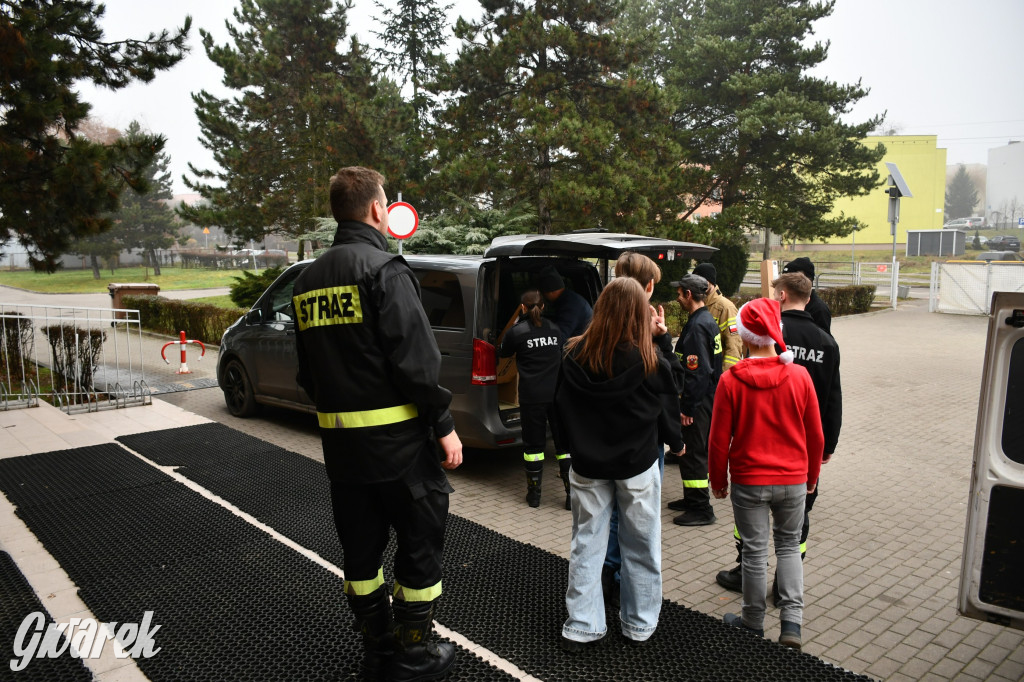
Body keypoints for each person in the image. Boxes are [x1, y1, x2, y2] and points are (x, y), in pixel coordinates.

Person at [292, 166, 463, 681]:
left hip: (344, 457)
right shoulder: (385, 270)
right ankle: (413, 657)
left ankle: (378, 650)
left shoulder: (307, 282)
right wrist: (444, 423)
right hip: (402, 453)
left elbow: (307, 375)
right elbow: (418, 365)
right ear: (374, 209)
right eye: (386, 204)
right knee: (418, 549)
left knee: (361, 558)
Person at [555, 278, 682, 649]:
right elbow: (670, 393)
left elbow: (558, 407)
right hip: (637, 464)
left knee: (587, 543)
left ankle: (582, 625)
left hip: (587, 466)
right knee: (641, 545)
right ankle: (639, 624)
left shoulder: (573, 354)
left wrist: (565, 451)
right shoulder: (649, 358)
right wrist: (662, 340)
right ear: (638, 313)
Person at [714, 272, 842, 599]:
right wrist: (825, 450)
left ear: (781, 296)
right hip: (798, 462)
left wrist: (719, 480)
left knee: (754, 542)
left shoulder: (751, 354)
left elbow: (718, 437)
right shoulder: (826, 342)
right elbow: (831, 399)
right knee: (793, 537)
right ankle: (787, 606)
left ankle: (751, 601)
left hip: (753, 463)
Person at [709, 297, 823, 651]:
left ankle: (752, 623)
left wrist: (718, 480)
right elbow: (815, 434)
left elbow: (717, 440)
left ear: (744, 336)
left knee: (755, 552)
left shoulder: (730, 381)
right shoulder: (800, 376)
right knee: (789, 547)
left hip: (749, 480)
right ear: (775, 333)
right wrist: (812, 475)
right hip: (792, 480)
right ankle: (792, 625)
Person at [601, 252, 686, 605]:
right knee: (636, 521)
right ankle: (627, 589)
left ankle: (605, 576)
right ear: (649, 286)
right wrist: (663, 342)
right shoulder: (644, 332)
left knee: (606, 516)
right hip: (641, 445)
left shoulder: (601, 321)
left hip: (600, 439)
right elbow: (668, 386)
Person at [499, 289, 570, 509]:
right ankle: (571, 496)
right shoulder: (556, 330)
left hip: (532, 397)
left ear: (523, 308)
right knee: (564, 445)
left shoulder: (517, 332)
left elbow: (502, 353)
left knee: (534, 447)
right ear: (544, 307)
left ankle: (535, 495)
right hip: (557, 396)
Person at [668, 273, 723, 526]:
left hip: (697, 403)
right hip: (705, 399)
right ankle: (692, 499)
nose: (677, 298)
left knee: (694, 453)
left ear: (688, 294)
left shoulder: (699, 326)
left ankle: (701, 508)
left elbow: (698, 372)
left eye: (679, 293)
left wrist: (688, 407)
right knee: (692, 452)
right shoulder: (704, 320)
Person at [692, 262, 742, 370]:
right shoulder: (696, 303)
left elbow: (734, 346)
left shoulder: (726, 308)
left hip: (716, 374)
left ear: (709, 282)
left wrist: (724, 376)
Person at [536, 264, 593, 338]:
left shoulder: (570, 306)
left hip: (581, 346)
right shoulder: (568, 299)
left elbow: (560, 337)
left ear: (550, 292)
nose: (543, 297)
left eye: (543, 294)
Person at [781, 257, 832, 333]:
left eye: (790, 281)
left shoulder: (819, 309)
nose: (784, 285)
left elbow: (824, 341)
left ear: (807, 280)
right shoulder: (784, 301)